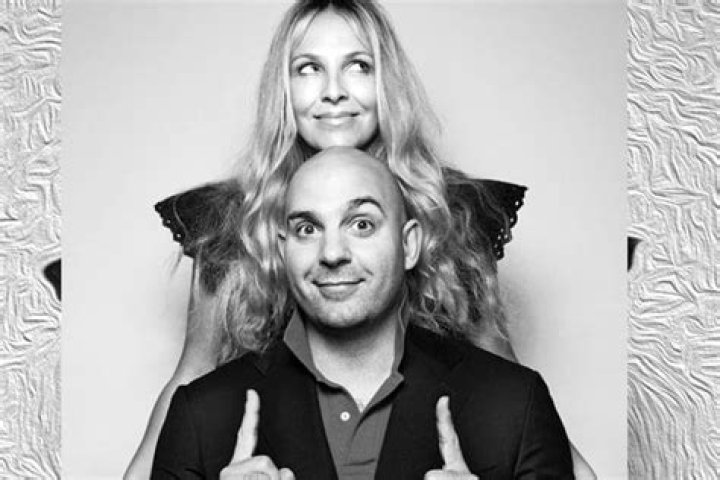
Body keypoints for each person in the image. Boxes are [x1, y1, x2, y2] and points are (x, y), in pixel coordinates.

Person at [125, 1, 595, 478]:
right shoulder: (234, 221)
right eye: (309, 68)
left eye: (358, 66)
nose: (333, 92)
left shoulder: (450, 211)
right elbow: (194, 369)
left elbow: (502, 375)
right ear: (282, 87)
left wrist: (572, 467)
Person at [152, 147, 574, 479]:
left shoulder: (514, 404)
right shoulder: (200, 416)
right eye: (307, 229)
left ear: (409, 245)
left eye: (361, 224)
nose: (332, 253)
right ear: (283, 250)